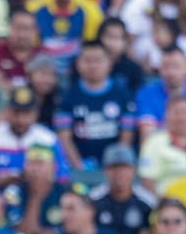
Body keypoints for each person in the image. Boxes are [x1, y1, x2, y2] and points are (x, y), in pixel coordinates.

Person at [54, 41, 135, 173]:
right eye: (87, 60)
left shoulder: (122, 94)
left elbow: (126, 135)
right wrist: (79, 167)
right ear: (78, 64)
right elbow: (64, 138)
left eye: (98, 60)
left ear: (109, 63)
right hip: (78, 168)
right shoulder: (67, 97)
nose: (93, 65)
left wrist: (115, 165)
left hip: (113, 169)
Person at [0, 87, 69, 188]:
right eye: (16, 113)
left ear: (36, 113)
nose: (21, 120)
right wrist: (7, 181)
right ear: (7, 111)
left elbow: (62, 179)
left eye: (27, 113)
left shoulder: (48, 140)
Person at [134, 46, 186, 142]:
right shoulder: (147, 93)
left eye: (176, 67)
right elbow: (148, 137)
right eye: (166, 67)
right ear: (159, 69)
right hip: (161, 148)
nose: (170, 72)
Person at [89, 144, 155, 234]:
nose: (119, 173)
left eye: (124, 167)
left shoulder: (147, 201)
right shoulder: (93, 199)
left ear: (134, 170)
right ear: (105, 170)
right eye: (114, 168)